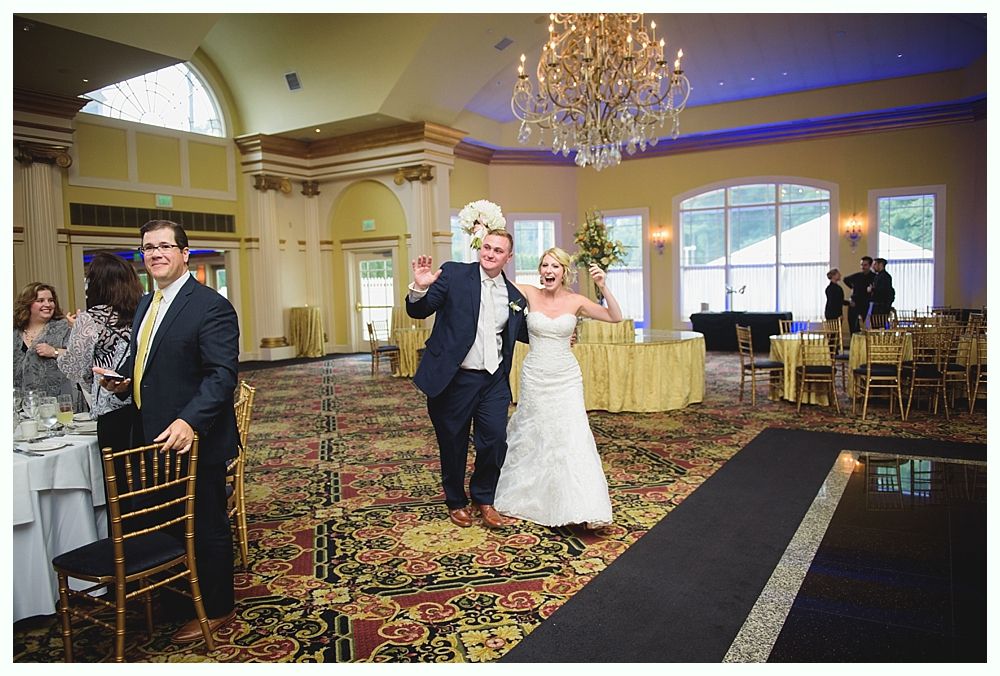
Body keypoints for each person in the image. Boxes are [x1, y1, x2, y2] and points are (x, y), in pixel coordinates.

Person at [98, 220, 240, 642]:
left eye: (164, 246)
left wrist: (189, 421)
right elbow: (144, 358)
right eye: (147, 248)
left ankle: (217, 608)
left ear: (184, 253)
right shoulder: (146, 303)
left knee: (205, 522)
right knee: (168, 519)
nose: (155, 254)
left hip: (194, 436)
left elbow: (221, 375)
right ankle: (178, 596)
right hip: (150, 433)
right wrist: (123, 379)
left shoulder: (210, 305)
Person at [406, 228, 529, 530]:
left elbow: (525, 332)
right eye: (486, 247)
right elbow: (420, 311)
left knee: (495, 440)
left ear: (508, 257)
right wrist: (419, 288)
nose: (489, 253)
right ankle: (455, 501)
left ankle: (484, 498)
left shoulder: (514, 296)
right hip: (455, 378)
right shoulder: (454, 274)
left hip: (493, 380)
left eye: (498, 250)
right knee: (453, 443)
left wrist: (561, 328)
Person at [494, 248, 623, 528]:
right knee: (535, 432)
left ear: (564, 271)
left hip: (566, 377)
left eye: (554, 266)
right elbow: (495, 278)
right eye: (544, 265)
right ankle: (533, 498)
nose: (548, 270)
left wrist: (603, 287)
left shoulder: (576, 301)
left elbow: (615, 317)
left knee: (571, 435)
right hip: (535, 375)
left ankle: (581, 504)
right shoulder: (528, 292)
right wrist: (488, 240)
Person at [57, 252, 144, 517]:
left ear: (98, 283)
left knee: (117, 482)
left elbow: (76, 368)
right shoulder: (143, 311)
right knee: (143, 476)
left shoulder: (91, 318)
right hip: (144, 405)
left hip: (112, 410)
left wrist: (63, 351)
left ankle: (123, 541)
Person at [13, 282, 77, 405]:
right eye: (40, 300)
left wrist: (54, 352)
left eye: (51, 300)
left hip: (57, 403)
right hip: (20, 406)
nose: (47, 304)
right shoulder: (14, 332)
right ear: (27, 303)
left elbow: (78, 356)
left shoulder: (64, 327)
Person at [842, 256, 874, 333]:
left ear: (870, 265)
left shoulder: (874, 277)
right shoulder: (857, 276)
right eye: (862, 265)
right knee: (853, 324)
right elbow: (845, 279)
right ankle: (854, 343)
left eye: (865, 265)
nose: (863, 267)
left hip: (866, 302)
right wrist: (852, 287)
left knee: (868, 326)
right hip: (855, 302)